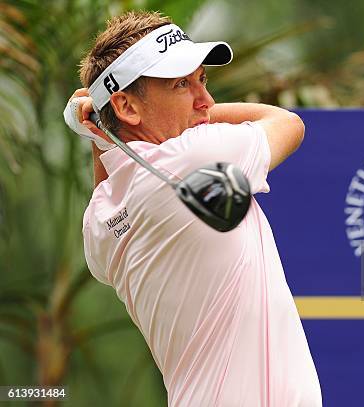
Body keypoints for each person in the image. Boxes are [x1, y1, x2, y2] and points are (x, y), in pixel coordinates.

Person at [64, 11, 322, 407]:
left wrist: (99, 130)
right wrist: (102, 127)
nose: (207, 101)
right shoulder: (195, 156)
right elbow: (286, 122)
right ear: (127, 107)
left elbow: (113, 175)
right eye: (182, 84)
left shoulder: (100, 221)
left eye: (202, 81)